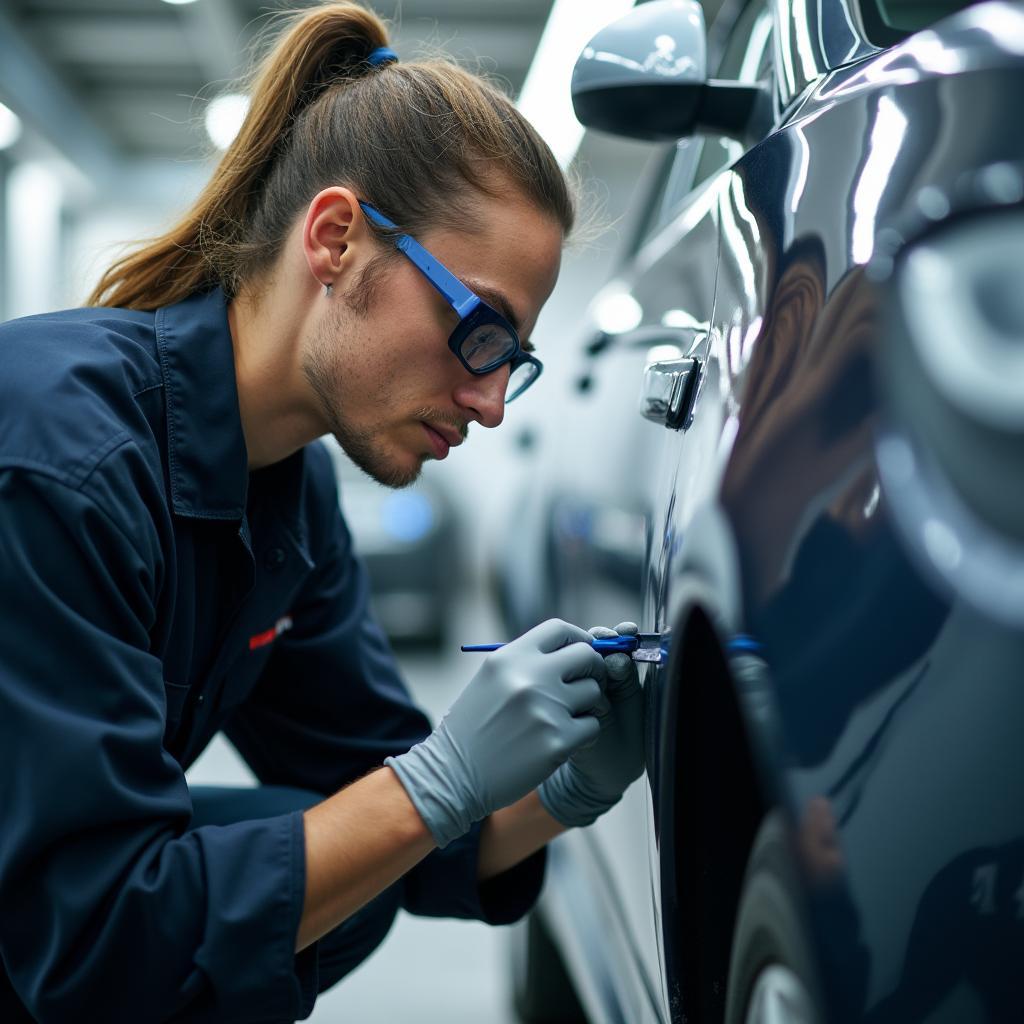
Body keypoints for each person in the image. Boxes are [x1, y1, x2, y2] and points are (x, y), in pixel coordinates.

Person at [0, 3, 646, 1021]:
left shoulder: (285, 487)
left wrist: (563, 792)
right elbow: (94, 942)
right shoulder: (58, 462)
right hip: (60, 938)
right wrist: (436, 782)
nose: (487, 402)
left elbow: (381, 794)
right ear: (336, 238)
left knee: (337, 850)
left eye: (510, 363)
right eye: (478, 330)